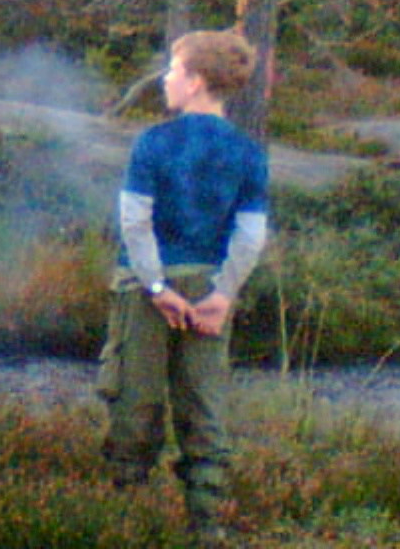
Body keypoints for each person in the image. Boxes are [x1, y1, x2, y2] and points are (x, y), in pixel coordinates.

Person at [97, 29, 269, 546]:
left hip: (145, 293)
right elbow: (250, 235)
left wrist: (155, 286)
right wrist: (223, 295)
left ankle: (125, 522)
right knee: (204, 409)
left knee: (134, 404)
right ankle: (206, 526)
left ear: (195, 81)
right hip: (209, 293)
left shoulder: (153, 143)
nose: (166, 80)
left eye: (173, 70)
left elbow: (134, 223)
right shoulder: (248, 153)